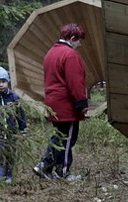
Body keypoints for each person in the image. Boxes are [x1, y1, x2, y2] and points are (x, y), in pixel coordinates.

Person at [33, 23, 88, 181]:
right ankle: (60, 171)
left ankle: (48, 168)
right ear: (72, 38)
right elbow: (75, 82)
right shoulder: (69, 54)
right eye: (79, 41)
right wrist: (81, 103)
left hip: (53, 102)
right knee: (68, 137)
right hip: (66, 103)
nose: (80, 45)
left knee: (60, 135)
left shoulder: (51, 52)